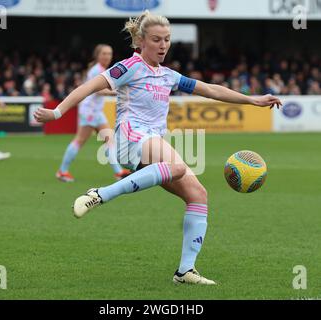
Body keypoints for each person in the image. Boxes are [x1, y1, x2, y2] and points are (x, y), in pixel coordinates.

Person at [34, 11, 281, 285]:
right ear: (141, 40)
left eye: (167, 40)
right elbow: (89, 87)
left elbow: (211, 90)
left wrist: (252, 100)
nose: (163, 45)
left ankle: (185, 271)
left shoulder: (169, 75)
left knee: (198, 194)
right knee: (176, 166)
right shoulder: (128, 67)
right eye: (156, 39)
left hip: (152, 143)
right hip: (130, 138)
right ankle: (100, 194)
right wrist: (57, 112)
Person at [56, 44, 131, 182]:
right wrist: (117, 92)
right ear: (97, 56)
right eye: (104, 54)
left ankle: (119, 172)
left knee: (109, 139)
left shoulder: (100, 69)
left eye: (109, 53)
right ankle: (62, 171)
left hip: (96, 111)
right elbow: (98, 90)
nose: (107, 56)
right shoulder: (97, 70)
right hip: (89, 111)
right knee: (80, 140)